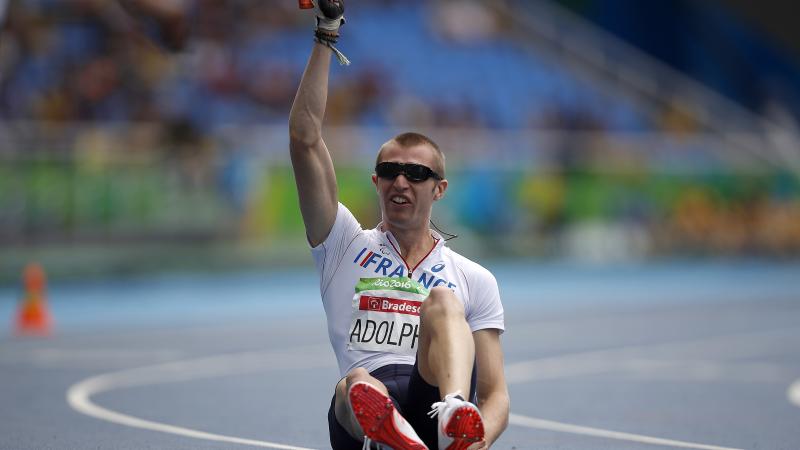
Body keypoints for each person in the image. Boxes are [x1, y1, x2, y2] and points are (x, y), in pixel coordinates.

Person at [288, 2, 509, 449]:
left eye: (417, 174)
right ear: (376, 181)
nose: (401, 182)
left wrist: (479, 440)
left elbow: (496, 393)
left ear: (439, 189)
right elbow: (304, 139)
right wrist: (326, 33)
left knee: (444, 302)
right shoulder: (343, 244)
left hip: (431, 397)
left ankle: (452, 421)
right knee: (355, 381)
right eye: (389, 172)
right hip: (362, 412)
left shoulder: (473, 279)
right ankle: (389, 430)